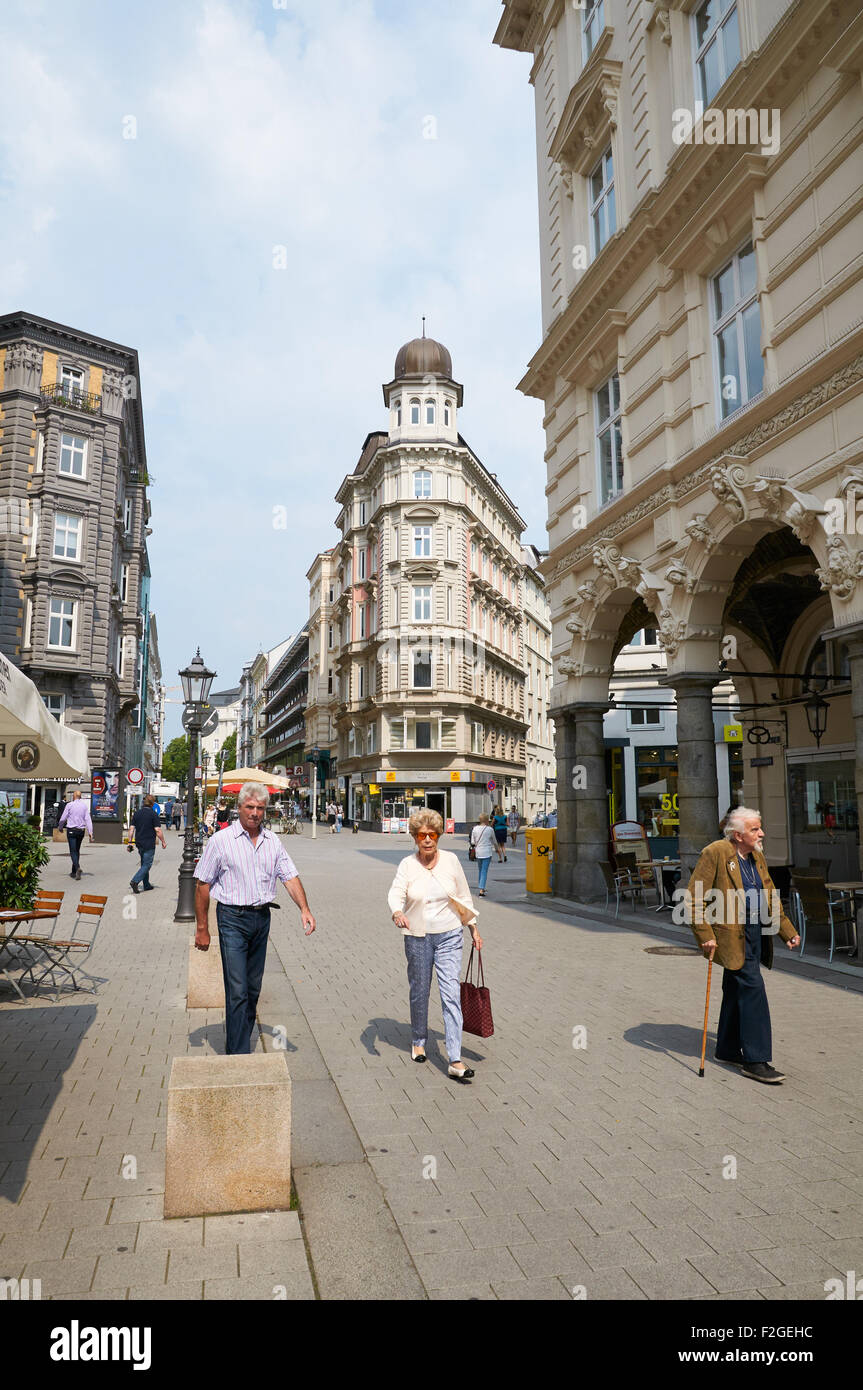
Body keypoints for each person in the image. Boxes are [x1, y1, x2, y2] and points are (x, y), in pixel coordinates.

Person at [194, 782, 316, 1055]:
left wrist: (304, 909)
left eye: (260, 808)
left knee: (252, 989)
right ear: (239, 808)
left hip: (261, 919)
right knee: (237, 989)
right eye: (249, 807)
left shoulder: (273, 842)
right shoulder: (220, 841)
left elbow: (290, 876)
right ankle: (238, 1054)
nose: (255, 813)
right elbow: (202, 885)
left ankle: (239, 1042)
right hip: (231, 919)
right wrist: (202, 928)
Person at [686, 807, 799, 1084]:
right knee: (753, 990)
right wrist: (705, 935)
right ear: (737, 835)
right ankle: (755, 1059)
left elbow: (770, 895)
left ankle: (726, 1048)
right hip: (729, 934)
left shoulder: (756, 856)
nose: (761, 833)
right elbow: (693, 897)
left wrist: (787, 932)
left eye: (759, 828)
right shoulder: (715, 852)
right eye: (754, 829)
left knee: (737, 988)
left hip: (755, 931)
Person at [388, 808, 483, 1083]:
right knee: (419, 990)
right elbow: (396, 892)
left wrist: (474, 928)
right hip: (416, 935)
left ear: (438, 836)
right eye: (421, 835)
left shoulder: (451, 861)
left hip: (450, 935)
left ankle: (454, 1057)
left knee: (450, 993)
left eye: (432, 835)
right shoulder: (407, 865)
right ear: (415, 838)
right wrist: (397, 912)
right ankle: (418, 1039)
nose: (427, 840)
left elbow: (464, 896)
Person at [128, 794, 167, 893]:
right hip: (149, 842)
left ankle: (146, 884)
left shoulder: (137, 813)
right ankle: (135, 881)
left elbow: (131, 829)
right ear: (153, 803)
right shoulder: (153, 814)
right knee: (147, 864)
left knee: (143, 863)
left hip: (139, 842)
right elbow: (158, 830)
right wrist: (163, 841)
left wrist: (130, 842)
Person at [57, 790, 93, 880]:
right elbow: (88, 819)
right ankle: (74, 872)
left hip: (71, 830)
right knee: (77, 850)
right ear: (80, 796)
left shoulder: (69, 805)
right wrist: (90, 832)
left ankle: (77, 868)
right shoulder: (84, 806)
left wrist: (60, 827)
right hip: (81, 831)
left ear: (73, 796)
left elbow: (63, 818)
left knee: (73, 851)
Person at [470, 813, 496, 896]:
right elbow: (494, 841)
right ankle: (481, 889)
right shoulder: (490, 829)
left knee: (481, 870)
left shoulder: (475, 829)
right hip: (487, 852)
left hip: (478, 852)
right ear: (487, 820)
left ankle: (482, 887)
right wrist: (497, 849)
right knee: (484, 871)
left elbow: (472, 842)